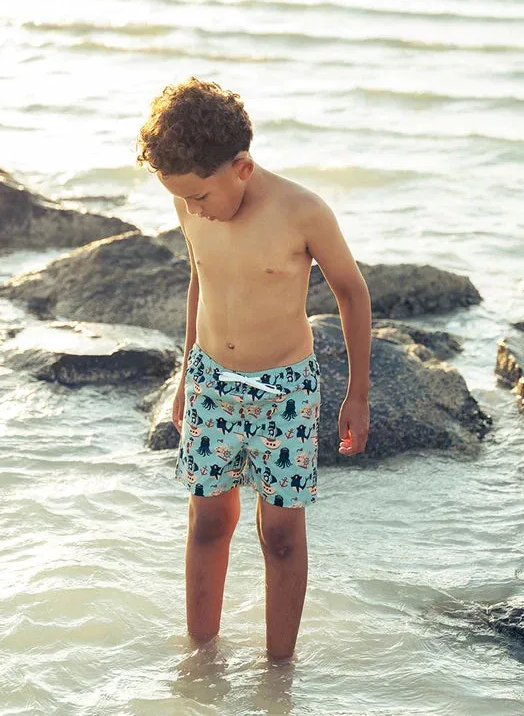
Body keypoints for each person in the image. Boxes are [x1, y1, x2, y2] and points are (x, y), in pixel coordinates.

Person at [137, 78, 372, 661]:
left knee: (282, 535)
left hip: (284, 392)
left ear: (241, 167)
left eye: (199, 196)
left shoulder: (303, 212)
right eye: (182, 198)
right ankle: (200, 660)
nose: (192, 209)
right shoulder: (189, 200)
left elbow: (351, 292)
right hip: (213, 383)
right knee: (208, 523)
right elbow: (200, 279)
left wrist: (358, 394)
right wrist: (189, 372)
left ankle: (278, 672)